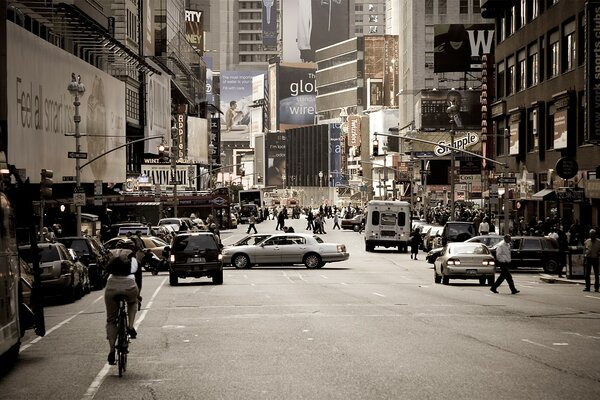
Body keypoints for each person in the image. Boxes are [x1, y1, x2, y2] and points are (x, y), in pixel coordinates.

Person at [104, 249, 142, 365]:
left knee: (111, 320)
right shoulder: (135, 262)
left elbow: (105, 275)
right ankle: (130, 326)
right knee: (132, 302)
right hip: (130, 285)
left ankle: (111, 350)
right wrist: (138, 296)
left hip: (112, 286)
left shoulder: (112, 261)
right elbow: (139, 282)